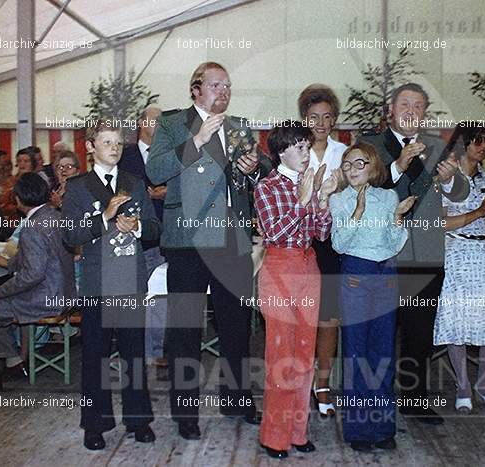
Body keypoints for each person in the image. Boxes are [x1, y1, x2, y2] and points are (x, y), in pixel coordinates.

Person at [146, 61, 267, 440]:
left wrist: (253, 169)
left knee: (235, 326)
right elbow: (155, 171)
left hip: (231, 238)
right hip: (187, 241)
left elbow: (261, 170)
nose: (224, 92)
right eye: (216, 85)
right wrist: (196, 141)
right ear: (195, 88)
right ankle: (186, 413)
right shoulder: (170, 124)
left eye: (228, 86)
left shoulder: (240, 126)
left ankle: (238, 399)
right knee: (185, 330)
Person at [358, 83, 469, 423]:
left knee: (420, 334)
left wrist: (450, 181)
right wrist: (397, 167)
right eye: (404, 103)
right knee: (380, 333)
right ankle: (374, 400)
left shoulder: (437, 145)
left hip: (428, 256)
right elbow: (360, 189)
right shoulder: (371, 145)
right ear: (390, 109)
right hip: (385, 255)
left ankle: (414, 399)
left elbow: (462, 191)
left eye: (418, 105)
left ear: (425, 112)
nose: (411, 110)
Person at [62, 120, 161, 450]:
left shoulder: (134, 182)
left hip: (130, 281)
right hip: (96, 285)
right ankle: (94, 424)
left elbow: (154, 229)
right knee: (95, 358)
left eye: (118, 143)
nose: (114, 148)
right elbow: (71, 235)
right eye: (107, 142)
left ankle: (139, 420)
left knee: (135, 355)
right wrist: (104, 217)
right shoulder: (77, 187)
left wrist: (136, 227)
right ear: (90, 147)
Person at [254, 122, 338, 459]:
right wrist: (304, 199)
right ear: (281, 152)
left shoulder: (308, 183)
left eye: (308, 147)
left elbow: (320, 233)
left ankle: (298, 431)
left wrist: (324, 198)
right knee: (280, 356)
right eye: (300, 148)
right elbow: (274, 233)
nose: (307, 154)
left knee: (305, 355)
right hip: (279, 270)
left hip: (308, 268)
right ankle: (274, 436)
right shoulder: (266, 187)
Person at [330, 142, 412, 452]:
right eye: (347, 165)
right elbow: (339, 244)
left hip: (385, 276)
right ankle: (358, 431)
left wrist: (397, 219)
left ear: (374, 167)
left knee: (383, 353)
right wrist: (358, 211)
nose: (352, 170)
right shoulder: (338, 201)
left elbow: (393, 245)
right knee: (355, 353)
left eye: (359, 163)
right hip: (354, 274)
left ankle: (382, 427)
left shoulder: (389, 197)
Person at [0, 173, 74, 398]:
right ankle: (14, 361)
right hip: (64, 293)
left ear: (19, 199)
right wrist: (9, 264)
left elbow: (32, 275)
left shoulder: (31, 227)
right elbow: (39, 257)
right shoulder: (55, 216)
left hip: (44, 298)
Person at [432, 124, 485, 413]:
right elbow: (440, 223)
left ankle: (483, 382)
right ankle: (463, 385)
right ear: (463, 144)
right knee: (458, 321)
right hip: (458, 251)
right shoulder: (447, 177)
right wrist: (477, 212)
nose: (483, 147)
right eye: (478, 142)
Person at [297, 84, 347, 417]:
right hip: (299, 239)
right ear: (304, 118)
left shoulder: (345, 153)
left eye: (327, 117)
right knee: (301, 316)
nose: (321, 123)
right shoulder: (293, 150)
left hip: (331, 240)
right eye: (314, 117)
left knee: (328, 317)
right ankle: (298, 383)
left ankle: (323, 385)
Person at [119, 106, 168, 370]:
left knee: (158, 295)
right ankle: (132, 348)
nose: (159, 124)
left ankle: (156, 350)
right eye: (154, 119)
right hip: (128, 236)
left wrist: (167, 193)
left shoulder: (167, 155)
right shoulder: (124, 155)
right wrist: (147, 195)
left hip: (161, 237)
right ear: (141, 122)